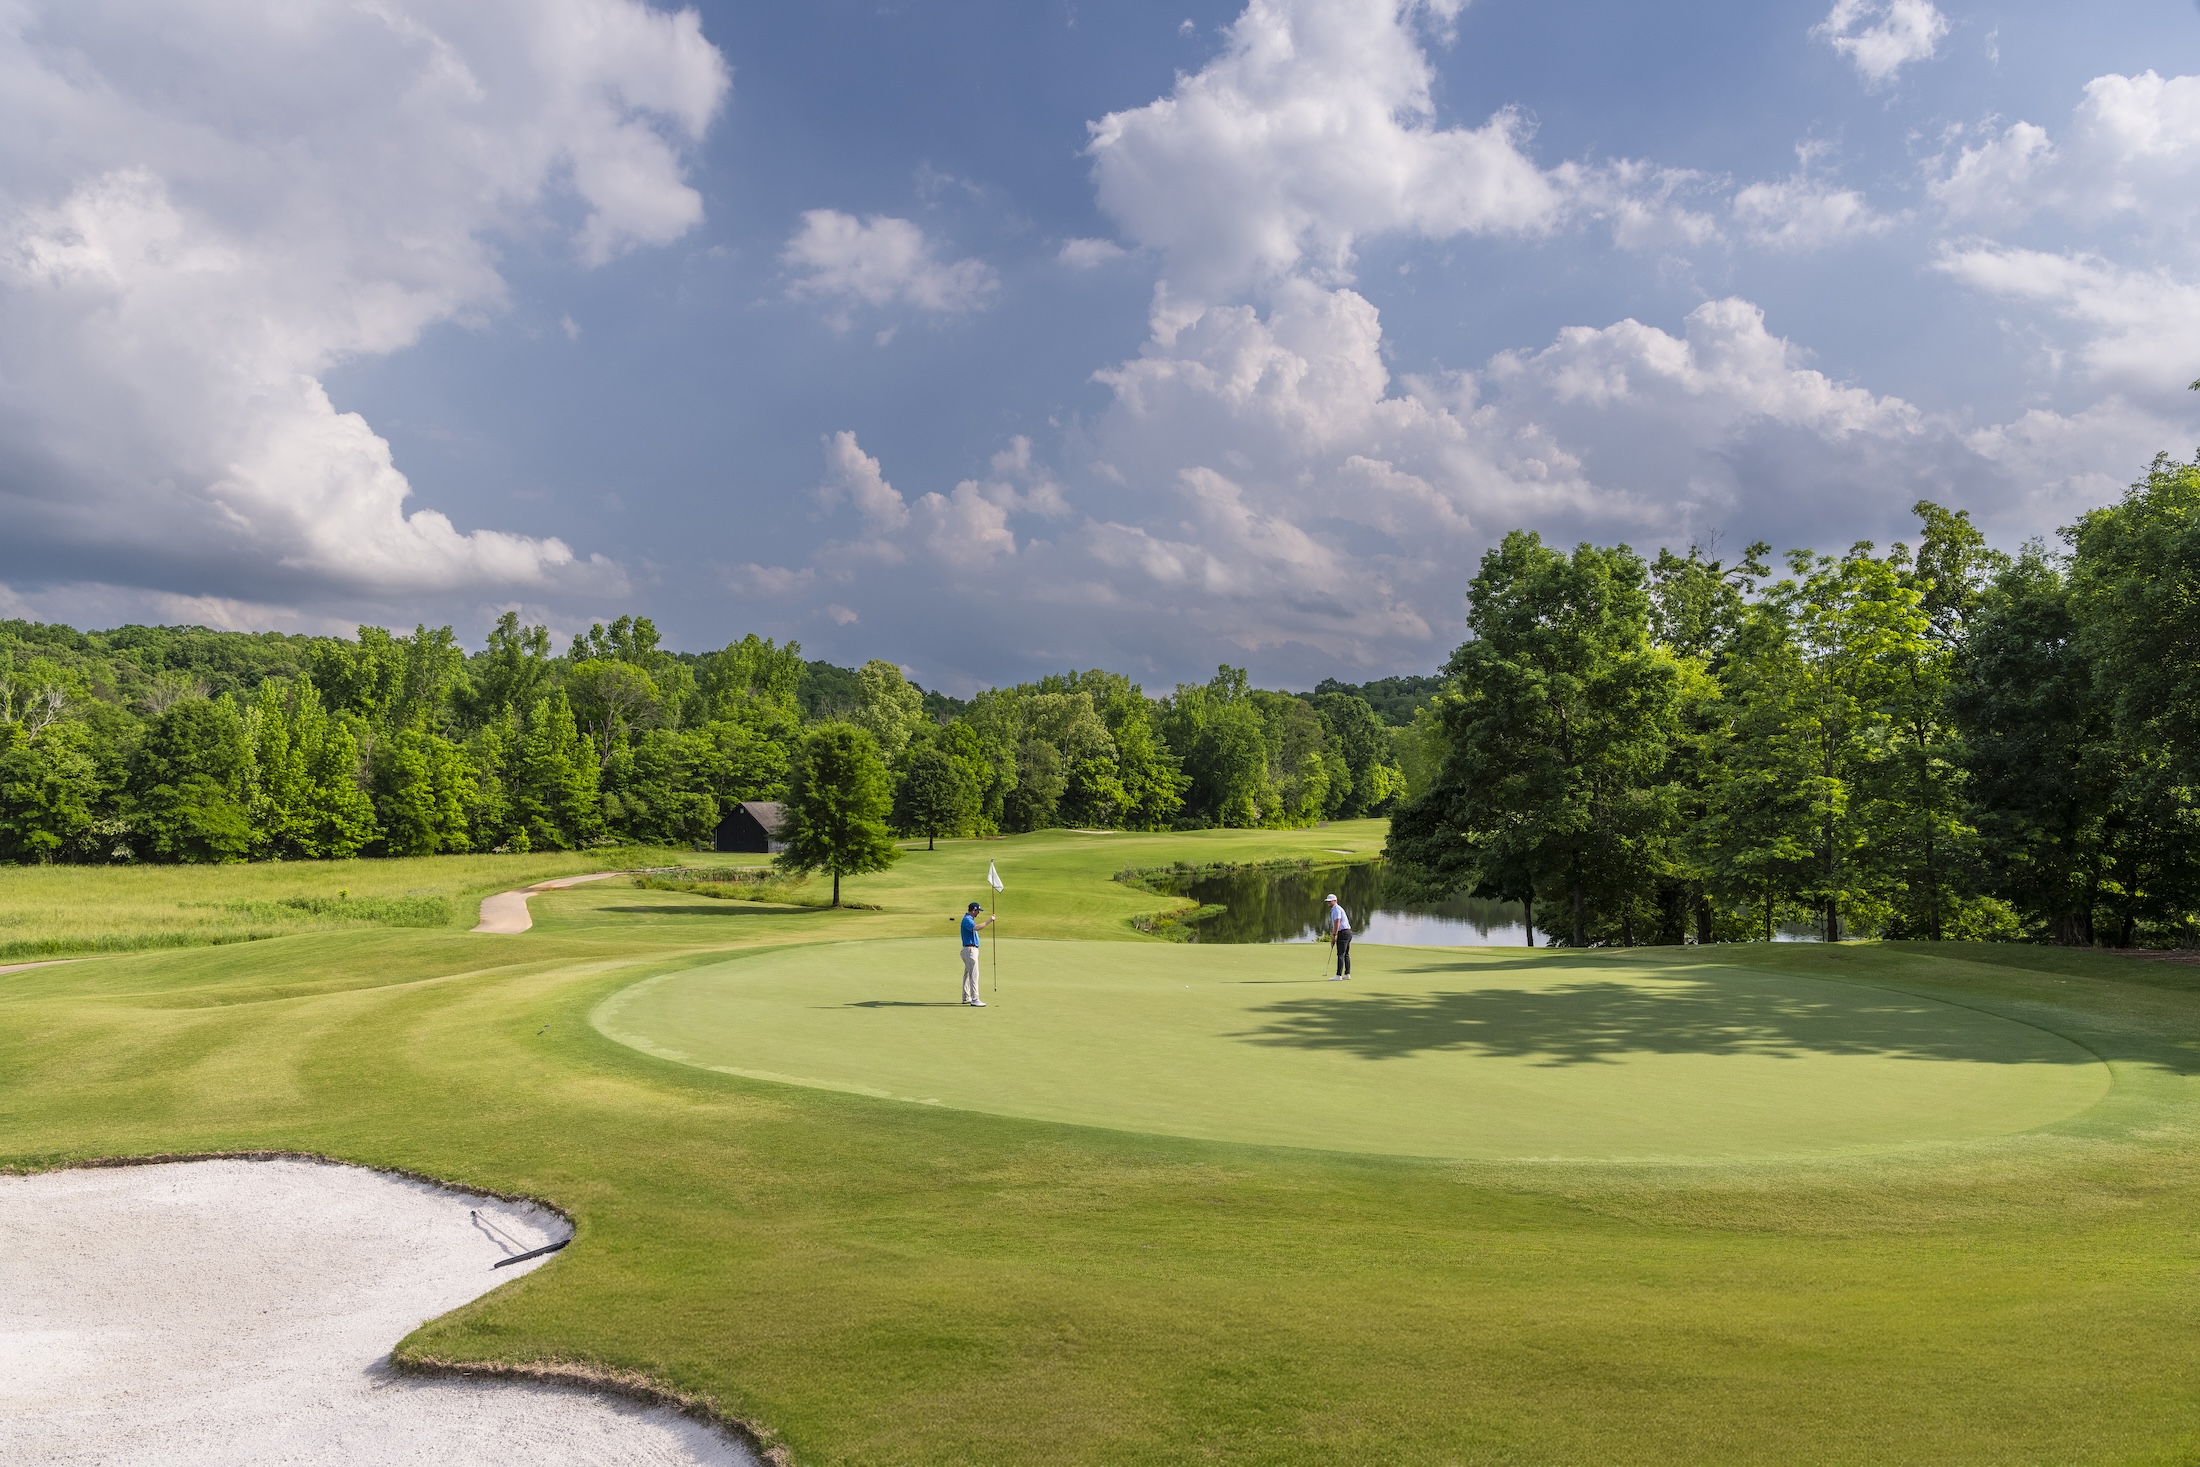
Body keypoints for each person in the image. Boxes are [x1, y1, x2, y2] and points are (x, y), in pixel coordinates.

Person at [958, 900, 994, 1007]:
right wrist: (989, 921)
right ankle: (975, 999)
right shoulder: (967, 919)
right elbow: (977, 928)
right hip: (970, 951)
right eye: (978, 911)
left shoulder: (969, 919)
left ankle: (966, 997)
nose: (978, 913)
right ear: (974, 910)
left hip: (969, 950)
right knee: (974, 975)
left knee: (967, 974)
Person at [1322, 893, 1352, 980]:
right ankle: (1347, 974)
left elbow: (1337, 922)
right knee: (1345, 954)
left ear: (1335, 901)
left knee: (1341, 954)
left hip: (1343, 932)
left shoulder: (1336, 909)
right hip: (1348, 932)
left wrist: (1334, 935)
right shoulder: (1337, 908)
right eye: (1328, 901)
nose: (1328, 903)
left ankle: (1338, 975)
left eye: (1330, 901)